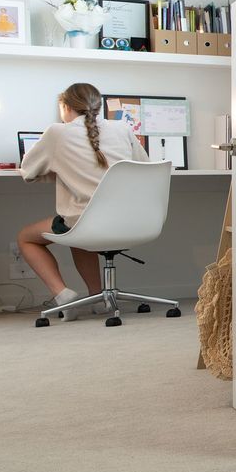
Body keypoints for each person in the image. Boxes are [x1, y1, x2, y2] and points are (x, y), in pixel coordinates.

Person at [17, 83, 144, 314]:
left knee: (27, 237)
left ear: (65, 106)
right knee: (80, 229)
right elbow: (144, 167)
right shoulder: (122, 129)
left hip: (86, 221)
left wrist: (61, 170)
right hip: (131, 220)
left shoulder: (57, 132)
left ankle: (63, 295)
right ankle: (98, 297)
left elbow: (28, 171)